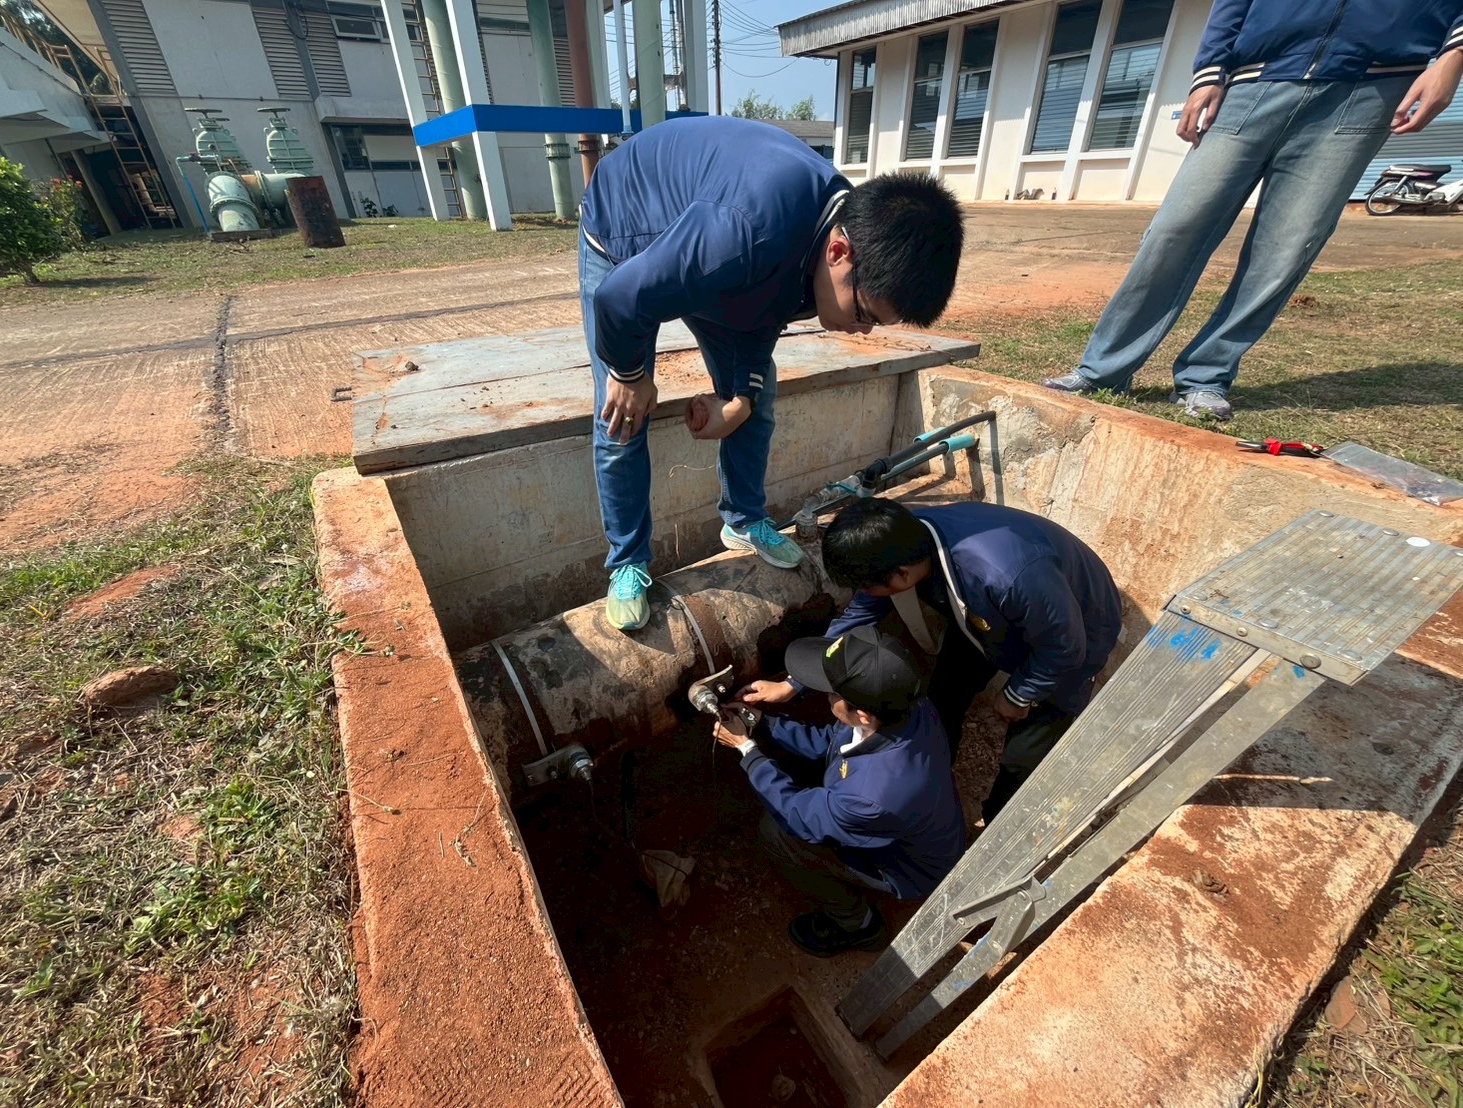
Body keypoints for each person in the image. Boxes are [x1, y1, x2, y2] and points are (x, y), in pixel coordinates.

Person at [580, 116, 966, 631]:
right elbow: (621, 298)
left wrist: (740, 398)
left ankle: (743, 519)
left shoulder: (833, 238)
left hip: (708, 250)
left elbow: (764, 311)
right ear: (839, 253)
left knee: (756, 402)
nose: (863, 331)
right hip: (626, 226)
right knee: (622, 414)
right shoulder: (744, 234)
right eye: (865, 314)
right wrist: (630, 375)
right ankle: (628, 561)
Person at [1043, 1, 1463, 421]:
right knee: (1174, 229)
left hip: (1371, 87)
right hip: (1255, 79)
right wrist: (1210, 72)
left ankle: (1206, 375)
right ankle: (1103, 370)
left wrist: (1454, 54)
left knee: (1287, 247)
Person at [744, 498, 1122, 821]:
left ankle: (999, 826)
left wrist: (1017, 694)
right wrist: (794, 682)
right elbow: (857, 617)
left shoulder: (1004, 577)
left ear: (901, 575)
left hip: (1077, 633)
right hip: (989, 620)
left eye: (865, 586)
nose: (862, 594)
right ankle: (936, 780)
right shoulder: (903, 543)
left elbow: (1065, 647)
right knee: (944, 696)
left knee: (1026, 753)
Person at [712, 626, 965, 957]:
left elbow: (797, 815)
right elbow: (832, 742)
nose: (825, 696)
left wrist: (747, 750)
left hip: (907, 867)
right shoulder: (908, 705)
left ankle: (859, 926)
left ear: (862, 714)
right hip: (921, 828)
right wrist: (762, 722)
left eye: (832, 693)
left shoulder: (873, 796)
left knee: (776, 834)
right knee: (806, 779)